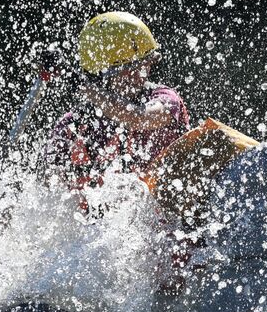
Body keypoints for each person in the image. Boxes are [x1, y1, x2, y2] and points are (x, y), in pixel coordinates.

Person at [44, 11, 190, 193]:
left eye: (144, 64)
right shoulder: (72, 125)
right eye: (127, 70)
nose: (139, 74)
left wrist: (80, 83)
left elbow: (137, 117)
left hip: (172, 216)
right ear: (100, 76)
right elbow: (49, 188)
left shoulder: (167, 99)